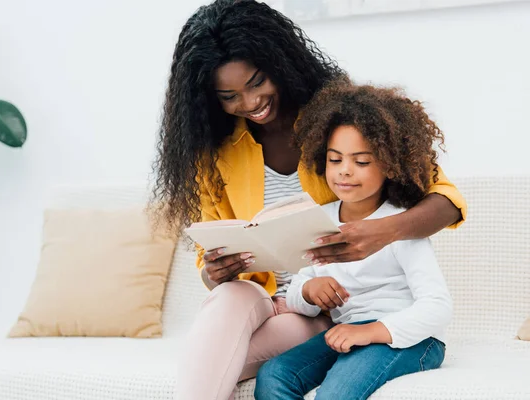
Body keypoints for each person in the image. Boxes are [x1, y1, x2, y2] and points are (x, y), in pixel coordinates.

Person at [148, 1, 466, 399]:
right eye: (229, 95)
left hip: (319, 311)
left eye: (257, 82)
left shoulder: (340, 127)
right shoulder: (215, 155)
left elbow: (446, 199)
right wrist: (215, 272)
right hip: (256, 301)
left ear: (279, 62)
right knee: (229, 295)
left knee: (210, 361)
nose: (249, 103)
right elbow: (208, 265)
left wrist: (380, 233)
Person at [254, 83, 453, 399]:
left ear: (389, 164)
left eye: (361, 162)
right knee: (274, 376)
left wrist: (369, 332)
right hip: (347, 332)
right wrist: (309, 290)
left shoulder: (399, 224)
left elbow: (438, 307)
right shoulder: (320, 218)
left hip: (410, 337)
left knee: (336, 394)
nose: (345, 172)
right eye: (335, 160)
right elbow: (297, 293)